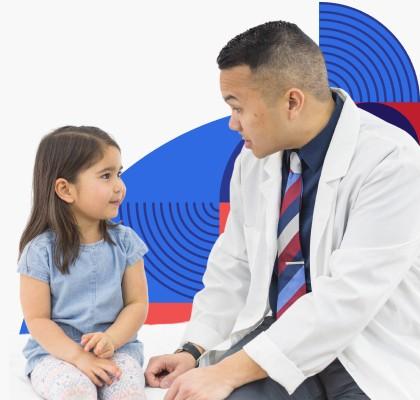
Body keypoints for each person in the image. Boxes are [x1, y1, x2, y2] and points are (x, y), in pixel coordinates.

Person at [145, 21, 420, 400]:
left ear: (292, 101)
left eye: (238, 107)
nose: (232, 123)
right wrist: (195, 348)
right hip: (274, 341)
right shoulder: (253, 160)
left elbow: (349, 298)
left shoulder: (392, 161)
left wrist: (227, 371)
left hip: (361, 351)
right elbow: (234, 264)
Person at [18, 126, 149, 400]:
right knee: (73, 391)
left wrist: (112, 340)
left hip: (118, 349)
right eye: (105, 175)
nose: (119, 186)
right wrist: (79, 357)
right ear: (65, 189)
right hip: (57, 355)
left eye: (119, 173)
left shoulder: (125, 242)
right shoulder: (39, 252)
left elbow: (137, 304)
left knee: (128, 392)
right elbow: (37, 320)